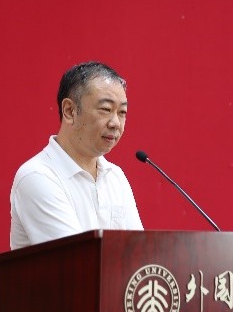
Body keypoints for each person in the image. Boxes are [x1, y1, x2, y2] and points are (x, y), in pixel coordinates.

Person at [10, 61, 143, 249]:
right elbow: (77, 258)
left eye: (122, 112)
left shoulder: (116, 177)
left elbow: (139, 252)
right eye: (106, 109)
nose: (115, 123)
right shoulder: (38, 176)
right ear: (69, 111)